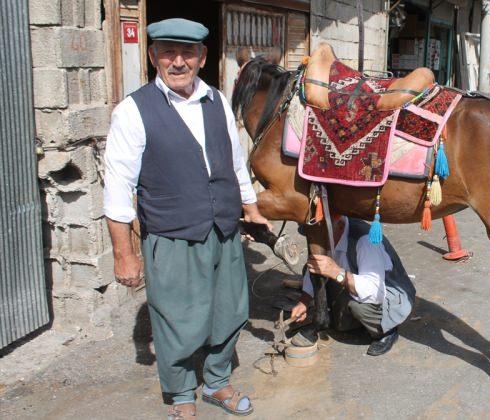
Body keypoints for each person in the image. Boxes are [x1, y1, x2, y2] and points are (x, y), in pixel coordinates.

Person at [103, 18, 270, 420]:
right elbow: (117, 189)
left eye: (187, 53)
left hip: (224, 229)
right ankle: (181, 396)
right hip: (172, 233)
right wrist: (124, 254)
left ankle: (215, 383)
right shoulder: (133, 110)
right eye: (168, 52)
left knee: (228, 310)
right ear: (152, 56)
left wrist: (251, 209)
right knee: (176, 317)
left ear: (202, 57)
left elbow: (232, 163)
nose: (178, 62)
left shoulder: (215, 100)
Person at [289, 216, 416, 356]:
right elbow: (311, 272)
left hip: (387, 294)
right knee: (314, 269)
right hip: (352, 283)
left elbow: (374, 292)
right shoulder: (325, 239)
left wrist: (336, 272)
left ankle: (386, 331)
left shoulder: (364, 240)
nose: (317, 241)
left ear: (340, 226)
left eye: (320, 235)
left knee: (359, 306)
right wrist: (304, 301)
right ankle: (350, 319)